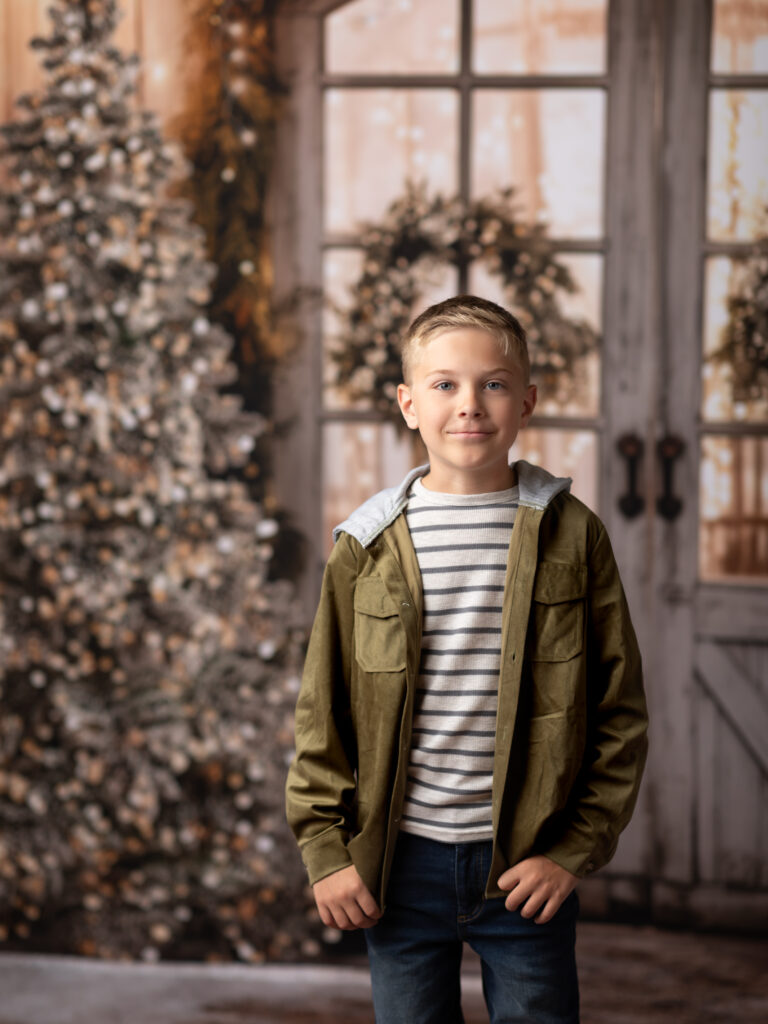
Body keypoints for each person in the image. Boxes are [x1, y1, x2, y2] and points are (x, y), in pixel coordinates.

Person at [285, 294, 648, 1024]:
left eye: (494, 383)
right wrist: (327, 851)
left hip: (525, 864)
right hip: (398, 865)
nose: (470, 405)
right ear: (408, 403)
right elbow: (324, 713)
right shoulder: (365, 547)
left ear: (527, 402)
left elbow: (619, 712)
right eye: (445, 383)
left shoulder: (572, 536)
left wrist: (571, 851)